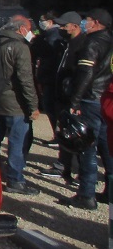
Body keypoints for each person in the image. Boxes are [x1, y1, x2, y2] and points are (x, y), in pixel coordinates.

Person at [61, 8, 113, 210]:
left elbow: (85, 72)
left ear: (97, 22)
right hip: (105, 97)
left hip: (91, 97)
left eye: (87, 20)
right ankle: (109, 190)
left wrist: (74, 101)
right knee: (107, 146)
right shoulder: (110, 40)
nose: (84, 22)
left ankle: (86, 194)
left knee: (86, 147)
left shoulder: (92, 42)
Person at [0, 16, 40, 195]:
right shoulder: (19, 47)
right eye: (29, 29)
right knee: (17, 141)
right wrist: (33, 105)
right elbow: (25, 79)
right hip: (15, 102)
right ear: (22, 29)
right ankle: (15, 179)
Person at [39, 11, 87, 184]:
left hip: (72, 97)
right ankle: (64, 165)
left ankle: (81, 171)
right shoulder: (66, 43)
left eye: (65, 25)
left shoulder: (82, 45)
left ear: (74, 26)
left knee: (77, 136)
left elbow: (82, 74)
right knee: (64, 132)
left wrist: (75, 98)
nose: (62, 28)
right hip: (62, 95)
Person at [30, 11, 66, 145]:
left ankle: (59, 134)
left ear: (50, 22)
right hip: (48, 77)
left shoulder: (53, 36)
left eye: (43, 20)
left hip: (50, 77)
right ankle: (57, 134)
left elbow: (46, 54)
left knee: (51, 107)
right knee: (49, 106)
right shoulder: (47, 36)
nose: (41, 23)